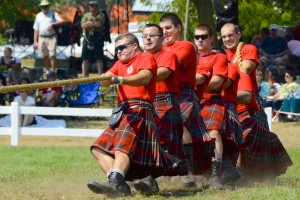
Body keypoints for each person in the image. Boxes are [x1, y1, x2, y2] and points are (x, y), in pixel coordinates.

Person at [87, 33, 182, 197]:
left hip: (139, 109)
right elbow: (105, 79)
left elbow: (145, 78)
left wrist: (119, 80)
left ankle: (115, 182)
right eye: (116, 49)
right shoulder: (119, 63)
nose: (119, 51)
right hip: (123, 112)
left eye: (122, 47)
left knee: (121, 146)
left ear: (134, 46)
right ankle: (118, 183)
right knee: (98, 149)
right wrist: (104, 78)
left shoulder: (145, 57)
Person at [221, 23, 293, 181]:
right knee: (233, 140)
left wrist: (224, 77)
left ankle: (252, 173)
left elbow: (244, 69)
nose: (227, 39)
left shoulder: (248, 49)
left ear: (239, 35)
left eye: (230, 35)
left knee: (252, 139)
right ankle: (236, 172)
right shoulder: (222, 55)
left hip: (248, 102)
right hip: (229, 103)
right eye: (224, 36)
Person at [132, 24, 187, 193]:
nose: (148, 38)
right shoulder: (139, 58)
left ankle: (150, 178)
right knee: (141, 142)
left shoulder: (168, 55)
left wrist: (139, 77)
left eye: (153, 35)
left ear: (162, 38)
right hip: (144, 102)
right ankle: (137, 177)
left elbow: (162, 74)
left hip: (165, 101)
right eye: (145, 36)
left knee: (163, 142)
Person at [159, 13, 211, 187]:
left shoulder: (186, 46)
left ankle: (188, 172)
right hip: (161, 93)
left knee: (178, 123)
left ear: (178, 27)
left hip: (182, 93)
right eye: (162, 29)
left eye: (168, 28)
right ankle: (161, 170)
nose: (164, 32)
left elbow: (169, 69)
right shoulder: (158, 50)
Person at [194, 24, 240, 189]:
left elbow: (217, 83)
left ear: (211, 38)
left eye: (204, 36)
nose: (200, 40)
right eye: (197, 37)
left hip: (213, 100)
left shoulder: (219, 58)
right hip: (192, 101)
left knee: (214, 133)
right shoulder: (191, 57)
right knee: (192, 139)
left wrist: (190, 86)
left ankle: (217, 175)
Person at [33, 0, 63, 73]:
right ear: (41, 7)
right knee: (45, 56)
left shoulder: (53, 14)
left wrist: (52, 24)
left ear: (48, 6)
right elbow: (36, 29)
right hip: (41, 37)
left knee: (52, 56)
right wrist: (35, 41)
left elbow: (61, 21)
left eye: (46, 6)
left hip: (52, 37)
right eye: (43, 6)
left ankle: (53, 72)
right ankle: (47, 72)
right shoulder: (38, 15)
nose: (44, 8)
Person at [81, 0, 106, 77]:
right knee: (85, 57)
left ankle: (100, 76)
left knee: (99, 58)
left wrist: (89, 23)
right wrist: (92, 24)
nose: (91, 7)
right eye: (90, 5)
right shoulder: (86, 15)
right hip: (88, 37)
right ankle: (84, 76)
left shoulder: (101, 15)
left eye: (93, 5)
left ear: (97, 6)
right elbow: (83, 25)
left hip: (98, 37)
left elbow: (99, 24)